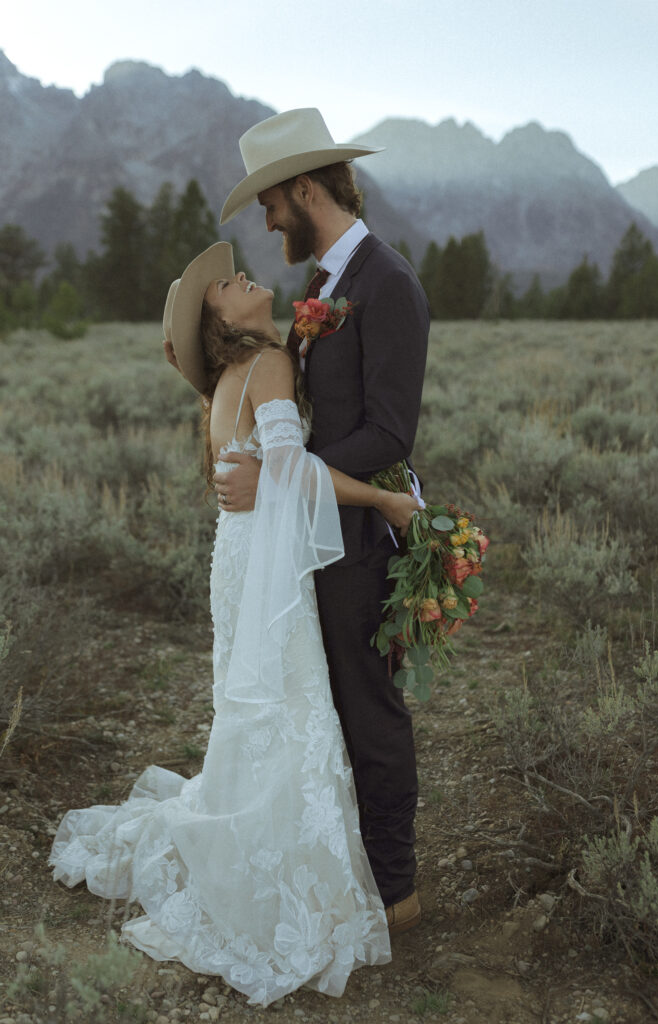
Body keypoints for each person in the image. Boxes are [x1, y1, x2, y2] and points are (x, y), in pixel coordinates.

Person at [50, 241, 420, 1006]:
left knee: (255, 704)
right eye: (226, 283)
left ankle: (252, 837)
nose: (241, 276)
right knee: (286, 703)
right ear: (222, 318)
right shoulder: (270, 365)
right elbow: (285, 469)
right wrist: (384, 502)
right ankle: (275, 864)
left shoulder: (226, 379)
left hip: (237, 557)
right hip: (265, 564)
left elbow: (262, 462)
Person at [211, 108, 430, 933]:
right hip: (315, 529)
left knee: (369, 708)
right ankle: (347, 870)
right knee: (326, 699)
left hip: (360, 538)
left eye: (269, 203)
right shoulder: (321, 288)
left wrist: (278, 476)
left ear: (305, 189)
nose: (266, 221)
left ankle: (396, 894)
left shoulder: (387, 284)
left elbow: (388, 433)